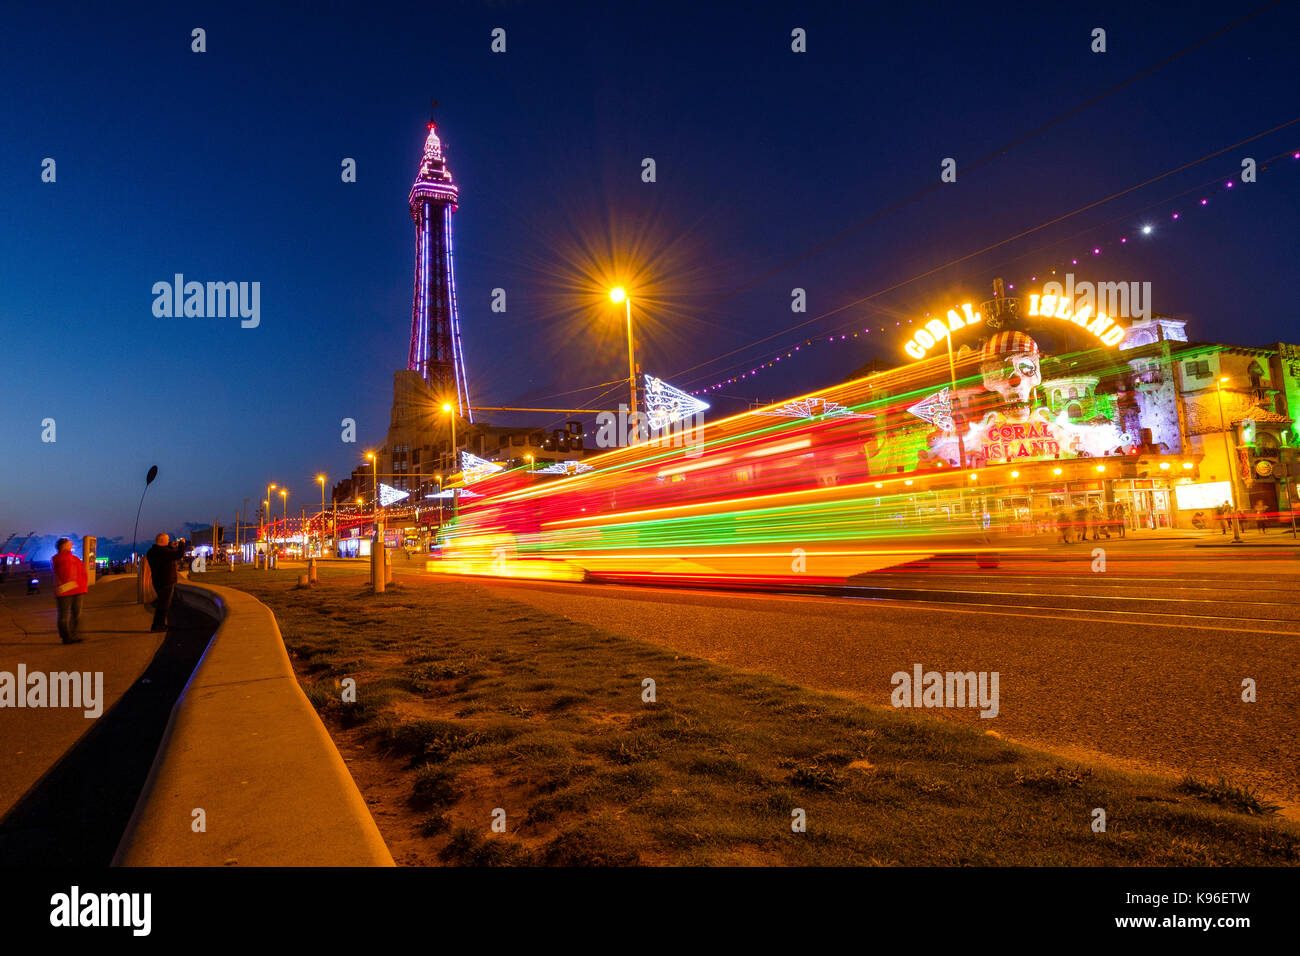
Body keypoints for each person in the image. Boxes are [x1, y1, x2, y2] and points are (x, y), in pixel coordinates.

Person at [145, 533, 185, 632]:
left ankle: (160, 624)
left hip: (157, 581)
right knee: (163, 606)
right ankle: (157, 626)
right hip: (166, 582)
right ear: (162, 541)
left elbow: (165, 553)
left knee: (161, 604)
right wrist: (182, 544)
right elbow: (179, 554)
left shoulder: (151, 551)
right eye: (167, 540)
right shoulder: (163, 552)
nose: (169, 541)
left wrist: (170, 547)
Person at [52, 538, 88, 644]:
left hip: (78, 589)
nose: (71, 543)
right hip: (65, 591)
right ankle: (66, 637)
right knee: (63, 616)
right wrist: (65, 552)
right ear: (63, 545)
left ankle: (75, 635)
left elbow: (82, 572)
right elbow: (62, 569)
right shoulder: (58, 558)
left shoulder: (74, 558)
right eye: (69, 542)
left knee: (77, 614)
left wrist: (84, 584)